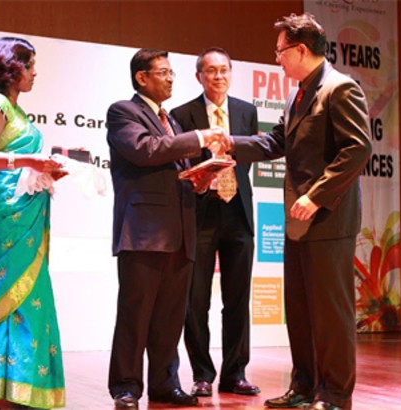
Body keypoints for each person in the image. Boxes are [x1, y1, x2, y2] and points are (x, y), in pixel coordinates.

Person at [227, 13, 373, 410]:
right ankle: (304, 387)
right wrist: (228, 145)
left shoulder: (340, 89)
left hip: (327, 218)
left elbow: (357, 150)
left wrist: (317, 195)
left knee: (331, 315)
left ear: (301, 50)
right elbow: (277, 141)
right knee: (302, 312)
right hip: (298, 221)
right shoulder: (297, 93)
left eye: (280, 52)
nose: (277, 59)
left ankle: (335, 395)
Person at [105, 48, 231, 409]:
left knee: (169, 317)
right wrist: (201, 138)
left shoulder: (172, 122)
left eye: (172, 72)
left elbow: (177, 167)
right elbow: (146, 150)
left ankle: (164, 383)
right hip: (143, 231)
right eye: (163, 72)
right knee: (135, 313)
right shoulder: (123, 112)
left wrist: (201, 178)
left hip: (181, 232)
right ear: (142, 77)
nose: (171, 78)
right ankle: (126, 387)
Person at [0, 37, 67, 410]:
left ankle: (19, 390)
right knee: (6, 299)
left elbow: (17, 163)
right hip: (1, 222)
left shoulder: (17, 112)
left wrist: (45, 172)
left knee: (28, 301)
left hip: (24, 218)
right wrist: (27, 161)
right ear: (13, 67)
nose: (35, 73)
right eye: (30, 65)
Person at [169, 47, 261, 398]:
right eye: (211, 71)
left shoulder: (246, 111)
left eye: (223, 70)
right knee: (196, 300)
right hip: (201, 213)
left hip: (238, 211)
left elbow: (247, 158)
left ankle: (235, 373)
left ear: (231, 74)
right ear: (199, 76)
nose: (218, 76)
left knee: (237, 299)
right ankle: (202, 374)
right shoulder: (182, 114)